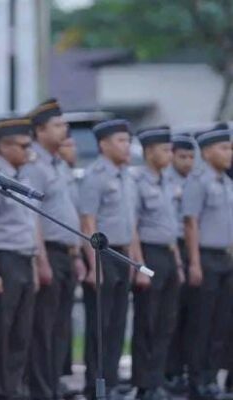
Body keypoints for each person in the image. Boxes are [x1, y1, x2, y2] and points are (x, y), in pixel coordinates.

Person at [23, 99, 84, 400]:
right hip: (48, 251)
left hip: (66, 254)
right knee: (44, 327)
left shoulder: (60, 164)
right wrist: (41, 260)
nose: (65, 129)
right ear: (40, 130)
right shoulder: (35, 166)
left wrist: (78, 254)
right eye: (58, 125)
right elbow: (32, 215)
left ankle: (54, 383)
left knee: (60, 326)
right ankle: (41, 389)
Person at [0, 117, 39, 400]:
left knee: (21, 333)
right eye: (23, 146)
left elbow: (31, 224)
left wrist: (35, 264)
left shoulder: (25, 178)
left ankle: (12, 389)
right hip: (4, 259)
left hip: (25, 259)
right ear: (4, 146)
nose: (28, 151)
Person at [78, 119, 136, 400]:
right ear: (104, 144)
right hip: (103, 255)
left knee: (117, 323)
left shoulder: (126, 175)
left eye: (128, 140)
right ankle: (95, 384)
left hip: (123, 255)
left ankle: (111, 381)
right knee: (99, 326)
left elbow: (131, 223)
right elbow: (87, 221)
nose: (127, 146)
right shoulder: (95, 175)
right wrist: (93, 264)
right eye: (121, 141)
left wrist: (136, 260)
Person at [130, 127, 181, 400]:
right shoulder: (139, 182)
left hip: (168, 255)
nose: (169, 155)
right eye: (165, 150)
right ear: (149, 152)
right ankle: (143, 384)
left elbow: (172, 226)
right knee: (147, 321)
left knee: (166, 322)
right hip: (148, 254)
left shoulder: (168, 182)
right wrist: (139, 264)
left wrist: (179, 265)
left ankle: (157, 380)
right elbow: (133, 226)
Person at [181, 128, 233, 400]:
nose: (229, 154)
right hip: (206, 257)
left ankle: (213, 377)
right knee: (202, 323)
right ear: (208, 152)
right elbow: (191, 224)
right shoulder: (197, 182)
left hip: (226, 257)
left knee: (222, 322)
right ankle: (198, 380)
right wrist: (195, 263)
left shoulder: (226, 182)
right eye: (224, 148)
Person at [164, 133, 197, 394]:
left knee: (189, 316)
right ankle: (169, 371)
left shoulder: (195, 182)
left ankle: (183, 370)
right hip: (170, 246)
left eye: (191, 157)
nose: (187, 162)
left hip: (189, 249)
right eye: (182, 156)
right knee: (170, 316)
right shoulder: (165, 181)